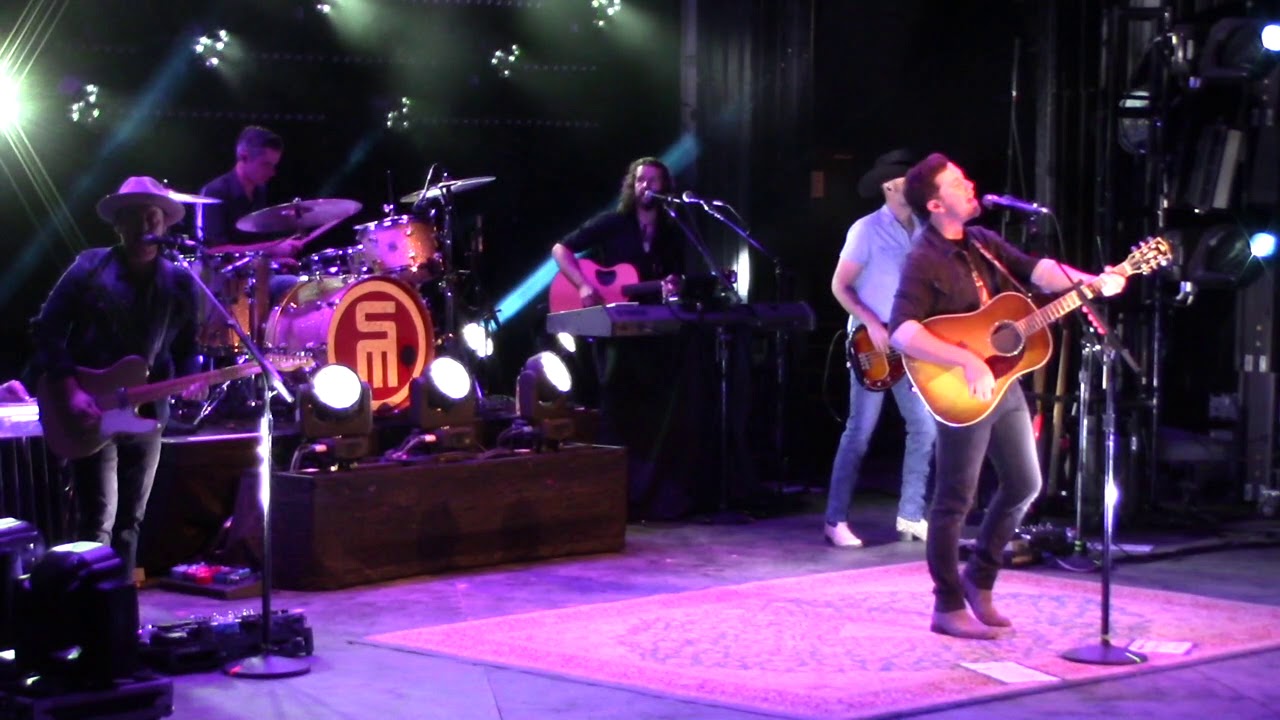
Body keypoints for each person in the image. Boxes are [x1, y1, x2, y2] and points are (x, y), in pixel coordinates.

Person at [889, 153, 1126, 639]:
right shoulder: (923, 257)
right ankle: (947, 605)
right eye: (958, 183)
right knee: (955, 499)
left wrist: (1092, 282)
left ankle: (979, 579)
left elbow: (1039, 271)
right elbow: (902, 331)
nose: (970, 185)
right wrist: (966, 360)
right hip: (960, 387)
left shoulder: (982, 242)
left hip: (1003, 382)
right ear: (935, 204)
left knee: (1024, 484)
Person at [30, 176, 206, 581]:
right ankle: (88, 604)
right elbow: (46, 328)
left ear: (165, 224)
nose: (146, 225)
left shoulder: (179, 280)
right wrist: (70, 389)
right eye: (135, 216)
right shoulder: (90, 267)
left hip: (147, 411)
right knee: (97, 519)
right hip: (90, 407)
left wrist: (194, 377)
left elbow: (188, 345)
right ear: (119, 225)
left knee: (131, 520)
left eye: (153, 216)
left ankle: (120, 605)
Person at [550, 157, 703, 519]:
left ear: (665, 187)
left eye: (654, 180)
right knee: (616, 403)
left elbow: (673, 279)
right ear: (631, 186)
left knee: (655, 406)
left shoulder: (672, 231)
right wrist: (583, 285)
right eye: (640, 180)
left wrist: (673, 286)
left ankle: (652, 490)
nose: (646, 185)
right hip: (614, 329)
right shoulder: (614, 223)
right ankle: (614, 491)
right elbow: (561, 249)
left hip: (650, 331)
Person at [824, 149, 937, 548]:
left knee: (924, 426)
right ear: (889, 186)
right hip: (870, 342)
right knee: (860, 431)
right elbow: (840, 286)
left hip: (910, 340)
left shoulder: (925, 229)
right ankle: (835, 519)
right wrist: (871, 322)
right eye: (908, 181)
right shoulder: (866, 230)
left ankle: (911, 515)